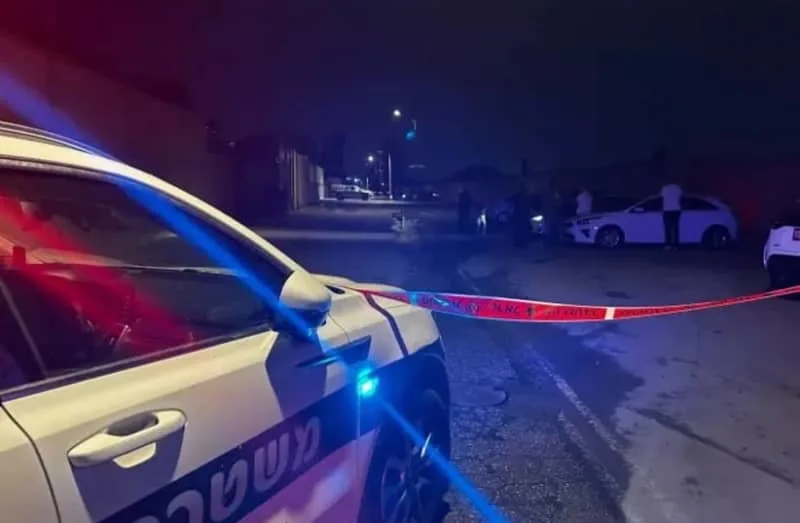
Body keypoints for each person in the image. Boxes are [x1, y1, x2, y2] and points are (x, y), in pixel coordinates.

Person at [660, 182, 683, 249]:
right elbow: (681, 196)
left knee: (667, 228)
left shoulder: (665, 188)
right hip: (676, 209)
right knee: (675, 228)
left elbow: (661, 197)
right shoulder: (678, 188)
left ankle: (668, 244)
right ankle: (676, 245)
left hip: (667, 210)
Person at [510, 183, 530, 247]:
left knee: (520, 229)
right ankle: (521, 243)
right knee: (521, 229)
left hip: (520, 215)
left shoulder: (521, 196)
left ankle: (520, 243)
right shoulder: (524, 196)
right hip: (521, 215)